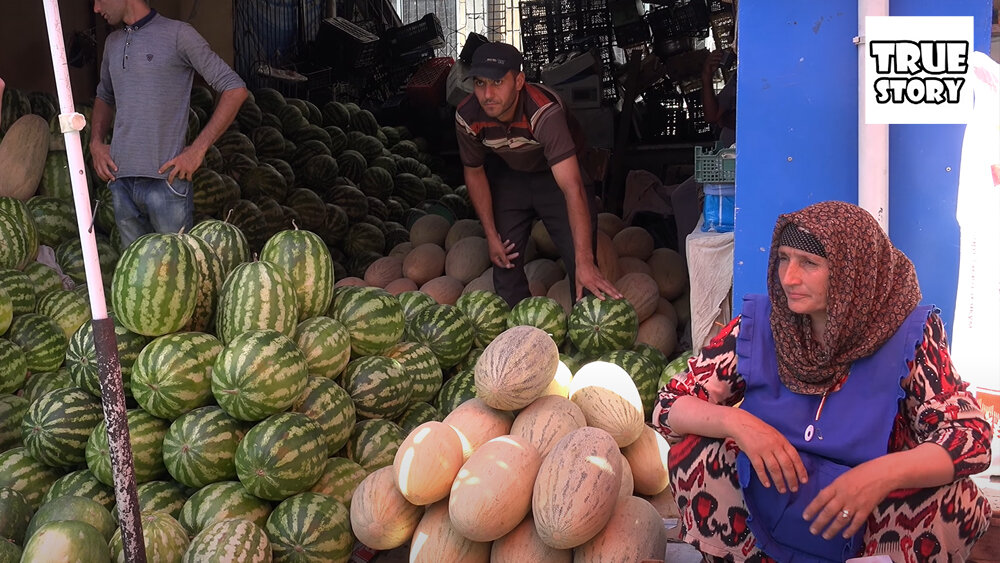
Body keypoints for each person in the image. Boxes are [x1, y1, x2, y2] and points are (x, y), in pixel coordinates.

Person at [653, 201, 992, 562]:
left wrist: (878, 476)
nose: (788, 277)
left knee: (957, 499)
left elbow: (971, 438)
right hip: (772, 498)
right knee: (695, 450)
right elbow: (669, 404)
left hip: (867, 518)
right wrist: (739, 423)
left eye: (809, 263)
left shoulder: (909, 336)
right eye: (783, 258)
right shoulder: (761, 325)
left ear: (852, 271)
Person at [454, 42, 621, 306]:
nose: (487, 94)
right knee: (504, 260)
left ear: (519, 80)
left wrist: (585, 260)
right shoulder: (467, 115)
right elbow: (474, 172)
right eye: (479, 83)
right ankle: (520, 335)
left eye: (497, 82)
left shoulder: (544, 112)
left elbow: (572, 187)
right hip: (511, 175)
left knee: (582, 263)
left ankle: (589, 331)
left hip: (557, 176)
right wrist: (491, 235)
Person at [90, 0, 247, 248]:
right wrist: (96, 143)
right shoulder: (112, 43)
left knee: (175, 276)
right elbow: (104, 96)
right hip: (121, 182)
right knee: (138, 279)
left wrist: (198, 149)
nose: (96, 9)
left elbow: (235, 89)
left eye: (98, 0)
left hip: (166, 184)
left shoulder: (179, 35)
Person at [670, 48, 737, 262]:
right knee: (682, 197)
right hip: (725, 157)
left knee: (688, 199)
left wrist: (730, 119)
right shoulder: (738, 78)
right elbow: (712, 114)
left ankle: (695, 263)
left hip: (737, 161)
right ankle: (688, 264)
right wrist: (706, 77)